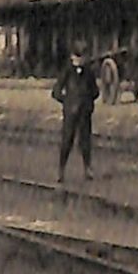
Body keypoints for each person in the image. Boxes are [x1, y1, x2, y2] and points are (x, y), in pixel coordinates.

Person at [51, 42, 98, 182]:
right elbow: (55, 92)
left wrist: (88, 101)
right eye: (77, 57)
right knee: (67, 141)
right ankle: (61, 170)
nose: (79, 61)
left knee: (85, 141)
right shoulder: (67, 71)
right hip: (70, 113)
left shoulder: (89, 72)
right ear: (72, 57)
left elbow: (95, 91)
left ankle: (88, 168)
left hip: (85, 112)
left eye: (82, 57)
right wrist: (67, 101)